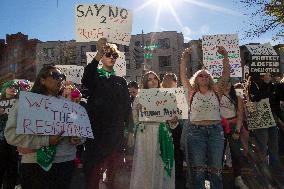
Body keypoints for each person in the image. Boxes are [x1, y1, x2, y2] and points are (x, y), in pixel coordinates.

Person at [4, 66, 82, 189]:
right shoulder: (26, 103)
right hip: (35, 165)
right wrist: (46, 140)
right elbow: (11, 135)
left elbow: (80, 131)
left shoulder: (69, 104)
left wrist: (78, 137)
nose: (60, 79)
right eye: (55, 76)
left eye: (62, 77)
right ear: (42, 80)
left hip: (66, 163)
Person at [81, 38, 131, 189]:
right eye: (108, 54)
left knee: (114, 175)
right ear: (102, 56)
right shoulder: (95, 76)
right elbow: (86, 78)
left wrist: (129, 131)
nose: (111, 57)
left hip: (116, 134)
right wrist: (99, 52)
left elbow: (127, 107)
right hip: (96, 133)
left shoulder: (121, 81)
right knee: (93, 175)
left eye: (114, 56)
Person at [180, 46, 229, 189]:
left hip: (215, 132)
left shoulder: (217, 91)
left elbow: (225, 75)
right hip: (195, 132)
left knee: (216, 169)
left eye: (206, 75)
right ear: (196, 78)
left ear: (210, 79)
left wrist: (225, 56)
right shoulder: (191, 92)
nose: (204, 77)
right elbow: (182, 74)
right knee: (198, 170)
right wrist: (184, 57)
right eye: (201, 75)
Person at [130, 71, 175, 189]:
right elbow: (134, 118)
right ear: (145, 83)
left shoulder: (166, 96)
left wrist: (174, 120)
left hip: (162, 132)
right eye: (149, 79)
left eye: (155, 78)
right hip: (145, 133)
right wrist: (139, 114)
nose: (153, 81)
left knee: (160, 164)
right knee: (146, 164)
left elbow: (172, 120)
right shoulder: (140, 97)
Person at [247, 73, 283, 188]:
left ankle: (276, 177)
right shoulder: (252, 83)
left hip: (272, 118)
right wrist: (265, 84)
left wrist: (277, 84)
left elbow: (277, 99)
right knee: (262, 149)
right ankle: (262, 178)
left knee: (274, 149)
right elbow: (255, 99)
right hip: (260, 118)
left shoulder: (273, 84)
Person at [220, 80, 249, 189]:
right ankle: (218, 179)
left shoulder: (237, 96)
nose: (226, 85)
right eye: (224, 83)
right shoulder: (216, 95)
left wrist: (237, 130)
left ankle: (238, 178)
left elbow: (240, 113)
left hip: (233, 126)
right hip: (220, 126)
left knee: (236, 153)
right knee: (219, 154)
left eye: (228, 83)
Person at [161, 73, 186, 189]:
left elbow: (183, 112)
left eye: (174, 80)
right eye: (170, 80)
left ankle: (178, 178)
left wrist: (177, 118)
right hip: (164, 128)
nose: (173, 82)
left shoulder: (180, 94)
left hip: (177, 128)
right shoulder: (159, 94)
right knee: (166, 152)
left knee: (177, 153)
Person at [0, 80, 20, 189]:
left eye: (16, 87)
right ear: (4, 88)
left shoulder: (20, 101)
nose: (13, 89)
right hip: (1, 139)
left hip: (15, 139)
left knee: (12, 166)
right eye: (10, 87)